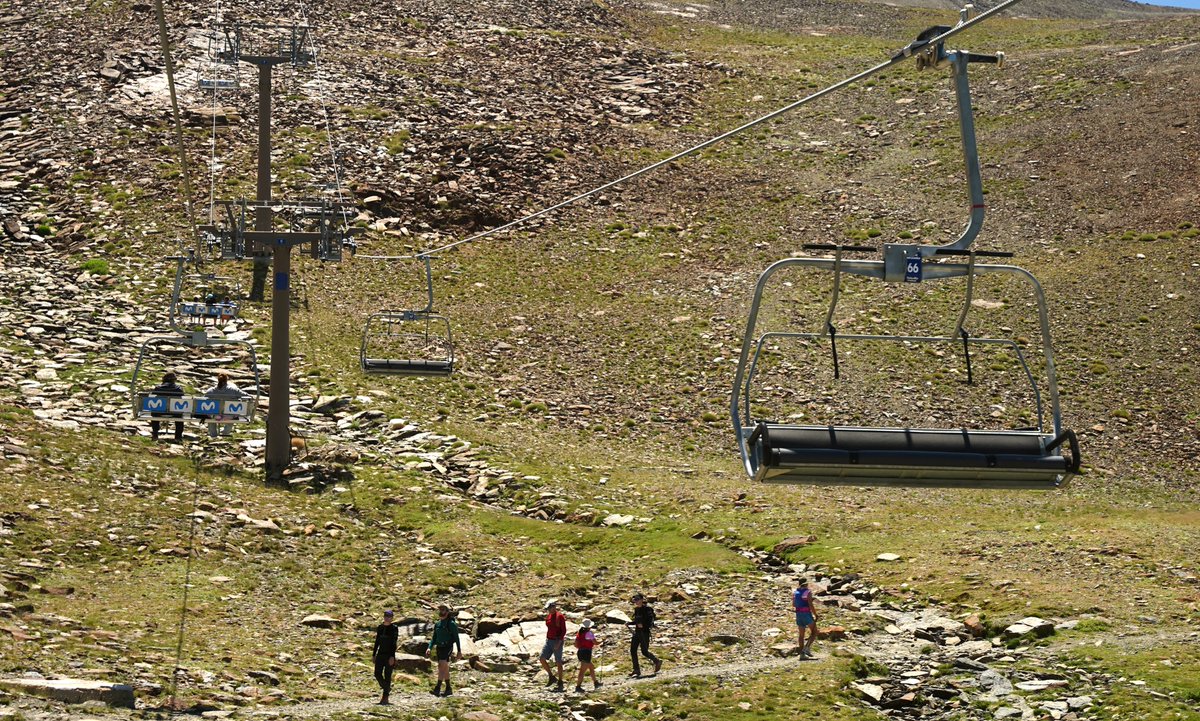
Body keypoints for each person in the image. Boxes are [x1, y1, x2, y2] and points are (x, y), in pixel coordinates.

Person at [427, 604, 462, 696]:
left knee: (442, 664)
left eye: (443, 610)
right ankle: (448, 688)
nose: (441, 612)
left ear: (447, 612)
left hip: (447, 647)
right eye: (440, 610)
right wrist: (429, 647)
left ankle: (437, 688)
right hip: (439, 647)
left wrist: (459, 651)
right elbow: (434, 637)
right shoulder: (437, 624)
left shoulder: (451, 624)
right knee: (443, 666)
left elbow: (456, 638)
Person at [628, 593, 661, 678]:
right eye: (635, 600)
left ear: (642, 600)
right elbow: (636, 621)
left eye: (638, 599)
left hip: (644, 633)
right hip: (637, 633)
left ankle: (657, 661)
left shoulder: (648, 609)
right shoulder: (636, 610)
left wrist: (643, 625)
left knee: (644, 651)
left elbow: (650, 621)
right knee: (632, 650)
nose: (636, 601)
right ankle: (636, 669)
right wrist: (629, 623)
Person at [203, 372, 245, 437]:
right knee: (232, 414)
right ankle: (225, 433)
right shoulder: (233, 390)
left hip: (214, 415)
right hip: (228, 416)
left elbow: (203, 400)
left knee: (210, 415)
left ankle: (213, 435)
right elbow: (246, 396)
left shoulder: (210, 391)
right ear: (226, 380)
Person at [148, 372, 185, 442]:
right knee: (180, 416)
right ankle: (178, 437)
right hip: (175, 412)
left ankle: (155, 434)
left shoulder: (158, 388)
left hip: (159, 411)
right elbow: (182, 397)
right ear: (174, 380)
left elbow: (152, 396)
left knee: (155, 412)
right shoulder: (178, 389)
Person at [539, 600, 567, 692]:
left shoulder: (560, 617)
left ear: (554, 607)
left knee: (558, 661)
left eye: (550, 608)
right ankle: (551, 676)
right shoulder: (549, 616)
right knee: (542, 658)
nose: (550, 610)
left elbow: (563, 631)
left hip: (557, 640)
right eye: (548, 609)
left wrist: (559, 642)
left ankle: (560, 680)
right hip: (549, 640)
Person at [372, 609, 398, 704]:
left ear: (392, 618)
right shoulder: (380, 627)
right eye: (386, 616)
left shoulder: (394, 628)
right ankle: (387, 688)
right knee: (377, 673)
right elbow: (377, 642)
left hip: (389, 655)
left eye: (389, 616)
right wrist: (374, 654)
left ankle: (385, 697)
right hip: (380, 654)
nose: (387, 618)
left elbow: (394, 642)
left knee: (387, 675)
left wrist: (392, 656)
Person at [794, 577, 819, 658]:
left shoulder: (795, 592)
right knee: (814, 631)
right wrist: (815, 614)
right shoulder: (808, 592)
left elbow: (794, 604)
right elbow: (810, 604)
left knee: (801, 634)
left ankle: (802, 654)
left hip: (798, 614)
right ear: (806, 584)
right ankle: (806, 648)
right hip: (806, 613)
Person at [573, 618, 600, 693]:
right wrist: (602, 641)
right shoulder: (589, 633)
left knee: (591, 667)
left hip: (580, 652)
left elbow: (575, 643)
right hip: (586, 652)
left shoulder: (580, 633)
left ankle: (596, 682)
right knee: (582, 671)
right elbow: (595, 642)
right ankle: (578, 686)